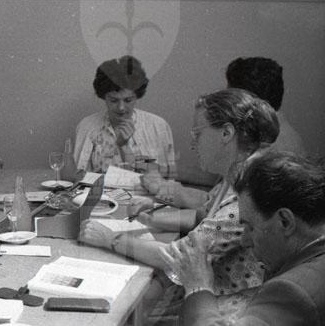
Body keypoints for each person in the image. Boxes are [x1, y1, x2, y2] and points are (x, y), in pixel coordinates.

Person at [79, 88, 279, 321]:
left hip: (224, 310)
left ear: (226, 133)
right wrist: (154, 218)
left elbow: (182, 256)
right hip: (212, 293)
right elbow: (205, 215)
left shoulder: (245, 194)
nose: (193, 143)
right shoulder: (239, 173)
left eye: (198, 133)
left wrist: (110, 239)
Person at [162, 151, 325, 325]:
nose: (245, 241)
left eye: (250, 227)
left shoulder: (294, 291)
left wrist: (198, 287)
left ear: (285, 221)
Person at [74, 55, 177, 177]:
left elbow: (169, 176)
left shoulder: (158, 126)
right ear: (104, 97)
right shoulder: (87, 126)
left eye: (128, 100)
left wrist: (125, 147)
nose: (121, 108)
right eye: (113, 100)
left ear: (137, 96)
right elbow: (79, 176)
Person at [226, 56, 307, 156]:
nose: (227, 101)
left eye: (231, 95)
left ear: (247, 100)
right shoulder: (279, 133)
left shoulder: (267, 146)